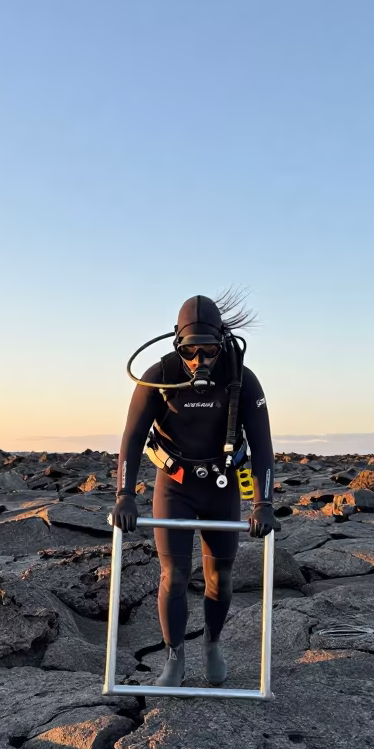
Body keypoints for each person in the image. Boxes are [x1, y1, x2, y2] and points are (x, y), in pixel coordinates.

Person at [112, 292, 277, 687]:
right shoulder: (158, 377)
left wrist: (264, 502)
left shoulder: (242, 378)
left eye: (209, 351)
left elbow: (262, 445)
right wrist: (125, 495)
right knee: (175, 573)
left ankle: (212, 646)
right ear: (177, 344)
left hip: (221, 484)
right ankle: (174, 656)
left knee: (220, 574)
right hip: (175, 485)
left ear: (222, 343)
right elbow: (132, 439)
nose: (199, 361)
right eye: (191, 352)